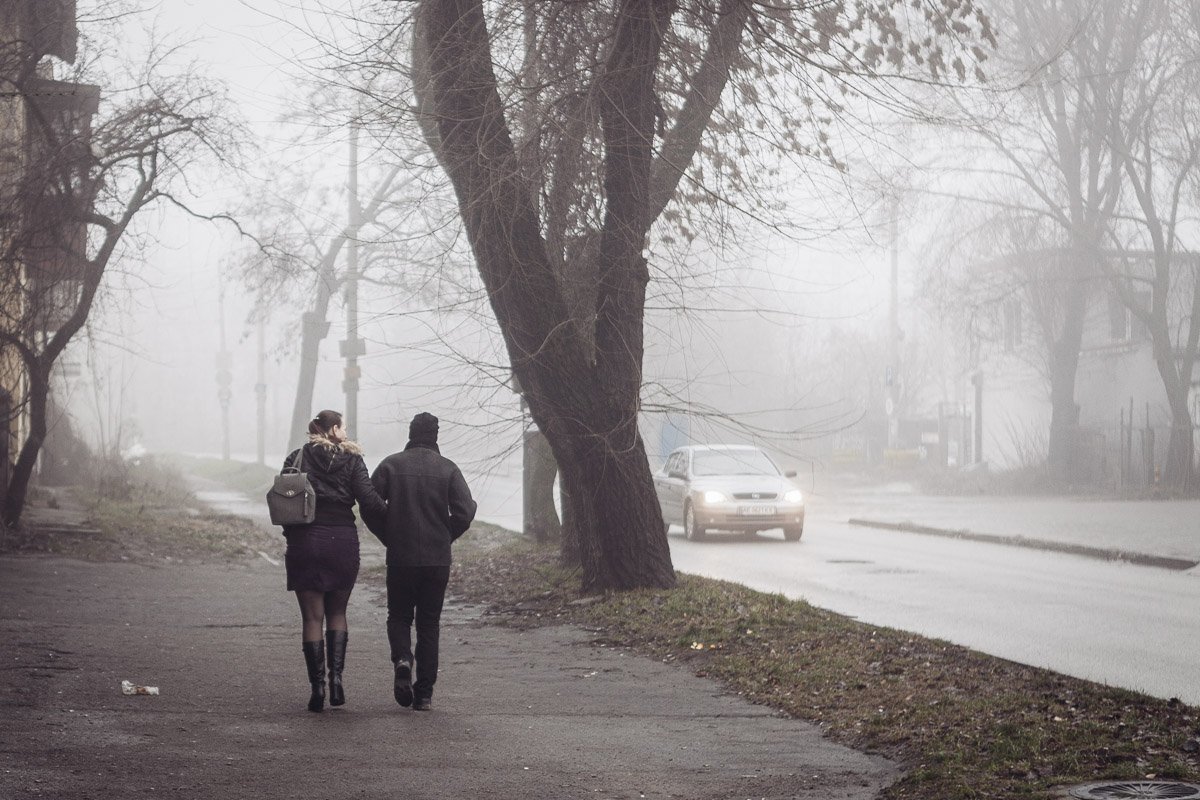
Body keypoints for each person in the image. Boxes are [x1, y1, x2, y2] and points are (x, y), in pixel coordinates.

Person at [367, 412, 476, 711]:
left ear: (411, 433)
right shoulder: (448, 469)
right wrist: (444, 536)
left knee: (399, 616)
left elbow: (369, 503)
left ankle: (403, 658)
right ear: (435, 436)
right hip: (436, 560)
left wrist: (388, 534)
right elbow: (466, 511)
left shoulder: (391, 465)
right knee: (429, 624)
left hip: (401, 557)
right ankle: (424, 694)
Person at [281, 410, 386, 713]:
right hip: (342, 541)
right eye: (343, 427)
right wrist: (397, 518)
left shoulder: (298, 456)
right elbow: (369, 500)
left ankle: (317, 688)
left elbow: (285, 495)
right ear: (335, 429)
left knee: (312, 618)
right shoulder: (352, 460)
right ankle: (337, 680)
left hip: (305, 541)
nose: (346, 432)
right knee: (337, 612)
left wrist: (292, 533)